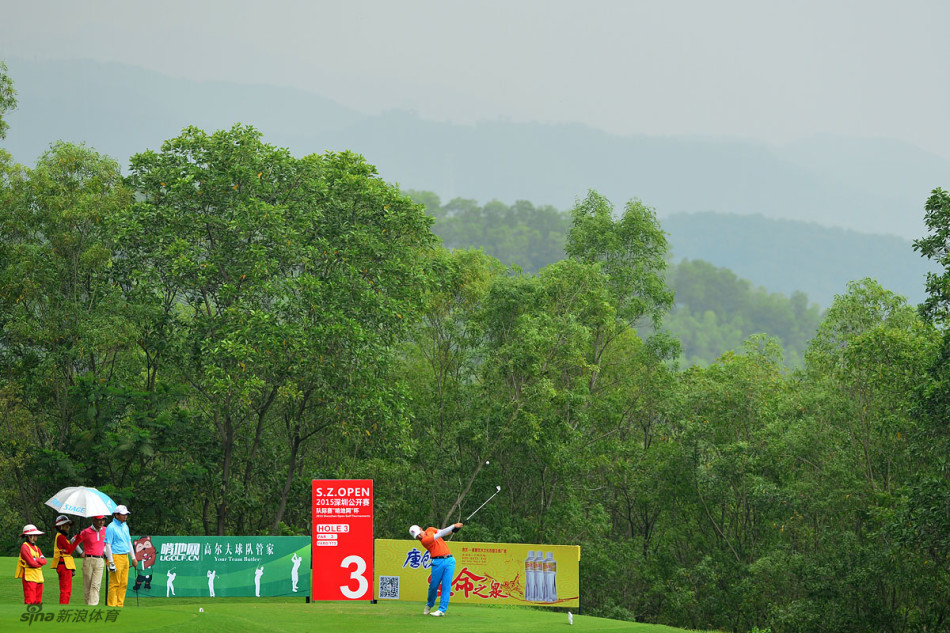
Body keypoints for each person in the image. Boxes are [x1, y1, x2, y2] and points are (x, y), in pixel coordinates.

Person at [409, 521, 463, 616]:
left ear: (421, 529)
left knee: (446, 586)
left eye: (419, 534)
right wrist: (453, 525)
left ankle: (441, 610)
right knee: (433, 587)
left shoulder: (430, 529)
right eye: (417, 537)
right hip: (437, 562)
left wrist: (455, 529)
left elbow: (444, 532)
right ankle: (429, 604)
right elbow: (440, 534)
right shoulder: (424, 541)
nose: (419, 537)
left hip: (449, 560)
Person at [104, 505, 138, 607]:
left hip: (125, 557)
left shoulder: (125, 526)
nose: (125, 516)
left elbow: (128, 542)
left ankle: (120, 605)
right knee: (115, 583)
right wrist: (111, 562)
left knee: (124, 583)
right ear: (116, 515)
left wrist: (133, 557)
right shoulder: (111, 527)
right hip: (115, 556)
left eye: (126, 514)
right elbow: (108, 545)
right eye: (123, 515)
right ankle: (112, 605)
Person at [72, 515, 107, 605]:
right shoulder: (86, 532)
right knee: (88, 584)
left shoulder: (106, 530)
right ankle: (88, 604)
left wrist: (106, 552)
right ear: (94, 520)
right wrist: (80, 552)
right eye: (99, 520)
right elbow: (73, 540)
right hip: (88, 559)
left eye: (103, 520)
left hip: (100, 560)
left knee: (96, 585)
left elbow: (109, 542)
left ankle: (93, 604)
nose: (101, 522)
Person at [15, 524, 47, 605]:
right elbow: (31, 563)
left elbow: (45, 561)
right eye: (35, 535)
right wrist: (39, 562)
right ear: (30, 536)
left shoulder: (36, 547)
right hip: (29, 576)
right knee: (30, 600)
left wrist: (36, 559)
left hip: (38, 576)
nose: (37, 536)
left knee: (38, 601)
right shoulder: (25, 547)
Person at [51, 515, 79, 604]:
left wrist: (68, 548)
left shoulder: (62, 537)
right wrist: (78, 540)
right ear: (60, 526)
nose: (68, 527)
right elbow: (70, 550)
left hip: (65, 565)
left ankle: (64, 605)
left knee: (66, 590)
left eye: (68, 525)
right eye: (65, 524)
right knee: (65, 590)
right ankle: (63, 606)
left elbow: (67, 550)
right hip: (64, 566)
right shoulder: (61, 537)